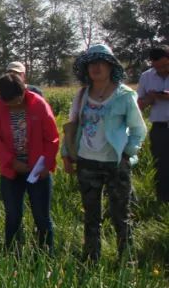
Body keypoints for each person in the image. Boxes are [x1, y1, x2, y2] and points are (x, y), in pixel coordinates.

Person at [61, 44, 147, 263]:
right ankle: (91, 260)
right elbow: (72, 125)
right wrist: (67, 155)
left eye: (101, 62)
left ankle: (127, 262)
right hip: (87, 162)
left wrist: (127, 153)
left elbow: (138, 129)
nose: (96, 67)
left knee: (121, 216)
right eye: (91, 63)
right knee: (91, 216)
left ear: (110, 66)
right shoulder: (81, 95)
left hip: (115, 164)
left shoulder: (125, 95)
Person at [0, 73, 59, 253]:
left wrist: (46, 165)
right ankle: (12, 254)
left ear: (24, 91)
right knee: (13, 216)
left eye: (18, 100)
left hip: (38, 170)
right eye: (10, 103)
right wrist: (11, 162)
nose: (15, 105)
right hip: (11, 172)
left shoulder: (39, 105)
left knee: (42, 216)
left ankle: (46, 256)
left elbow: (52, 138)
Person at [136, 44, 169, 203]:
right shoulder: (146, 77)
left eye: (165, 65)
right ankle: (162, 201)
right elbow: (137, 105)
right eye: (158, 67)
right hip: (160, 128)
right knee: (161, 165)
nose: (162, 69)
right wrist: (149, 99)